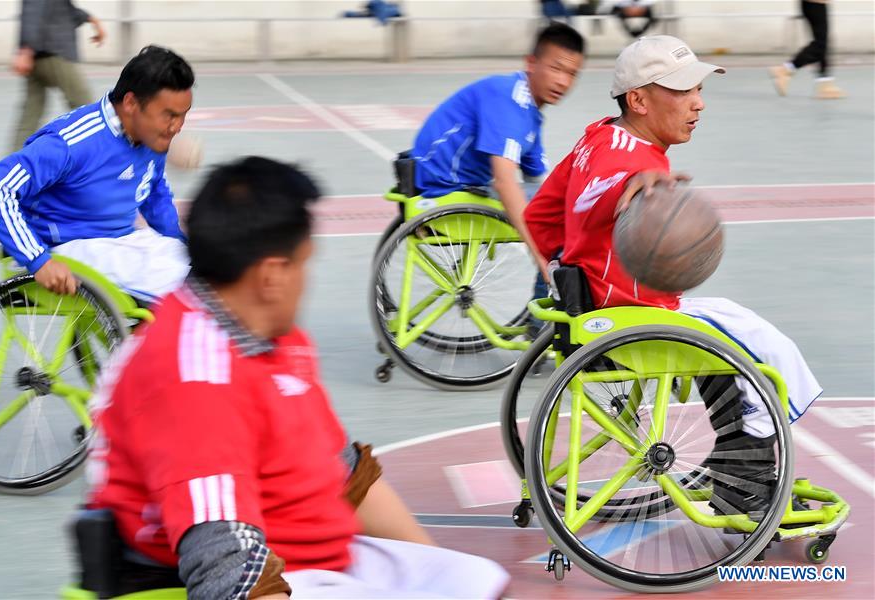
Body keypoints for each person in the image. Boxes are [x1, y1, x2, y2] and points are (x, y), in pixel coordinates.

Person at [82, 156, 510, 599]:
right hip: (273, 573)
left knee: (477, 582)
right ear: (271, 275)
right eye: (303, 264)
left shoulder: (274, 337)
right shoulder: (195, 380)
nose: (306, 280)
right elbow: (228, 571)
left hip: (322, 557)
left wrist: (432, 562)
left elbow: (343, 472)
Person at [524, 35, 822, 515]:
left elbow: (540, 216)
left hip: (598, 311)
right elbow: (606, 187)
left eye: (698, 89)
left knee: (733, 325)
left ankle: (740, 459)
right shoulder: (630, 160)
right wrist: (628, 187)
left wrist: (566, 274)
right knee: (767, 352)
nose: (699, 103)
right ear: (638, 100)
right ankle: (745, 475)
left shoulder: (597, 136)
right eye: (683, 91)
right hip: (633, 318)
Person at [0, 45, 194, 302]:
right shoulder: (71, 143)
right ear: (131, 103)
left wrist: (179, 243)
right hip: (65, 247)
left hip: (120, 241)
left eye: (183, 116)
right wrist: (38, 260)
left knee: (206, 270)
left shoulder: (150, 138)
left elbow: (154, 193)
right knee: (181, 288)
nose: (177, 127)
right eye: (169, 115)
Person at [411, 22, 585, 283]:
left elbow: (540, 179)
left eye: (572, 74)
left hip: (459, 181)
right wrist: (538, 253)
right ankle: (545, 313)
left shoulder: (530, 111)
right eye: (556, 68)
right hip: (445, 187)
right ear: (531, 63)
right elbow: (504, 182)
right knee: (564, 213)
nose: (563, 81)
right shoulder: (508, 100)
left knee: (570, 202)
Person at [12, 0, 107, 151]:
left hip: (40, 55)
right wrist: (26, 49)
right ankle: (95, 162)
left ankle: (11, 165)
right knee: (87, 111)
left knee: (29, 118)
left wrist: (91, 19)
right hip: (55, 53)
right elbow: (34, 8)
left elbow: (63, 8)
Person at [769, 0, 845, 99]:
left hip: (814, 4)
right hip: (815, 4)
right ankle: (786, 68)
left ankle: (825, 84)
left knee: (822, 42)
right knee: (820, 45)